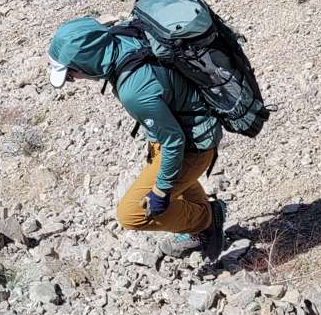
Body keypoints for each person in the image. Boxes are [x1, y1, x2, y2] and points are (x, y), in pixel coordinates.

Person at [47, 15, 227, 258]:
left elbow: (174, 142)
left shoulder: (134, 91)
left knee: (131, 214)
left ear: (84, 64)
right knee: (171, 179)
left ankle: (206, 221)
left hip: (192, 148)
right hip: (185, 132)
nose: (73, 80)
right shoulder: (122, 38)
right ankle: (200, 214)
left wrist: (161, 191)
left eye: (70, 75)